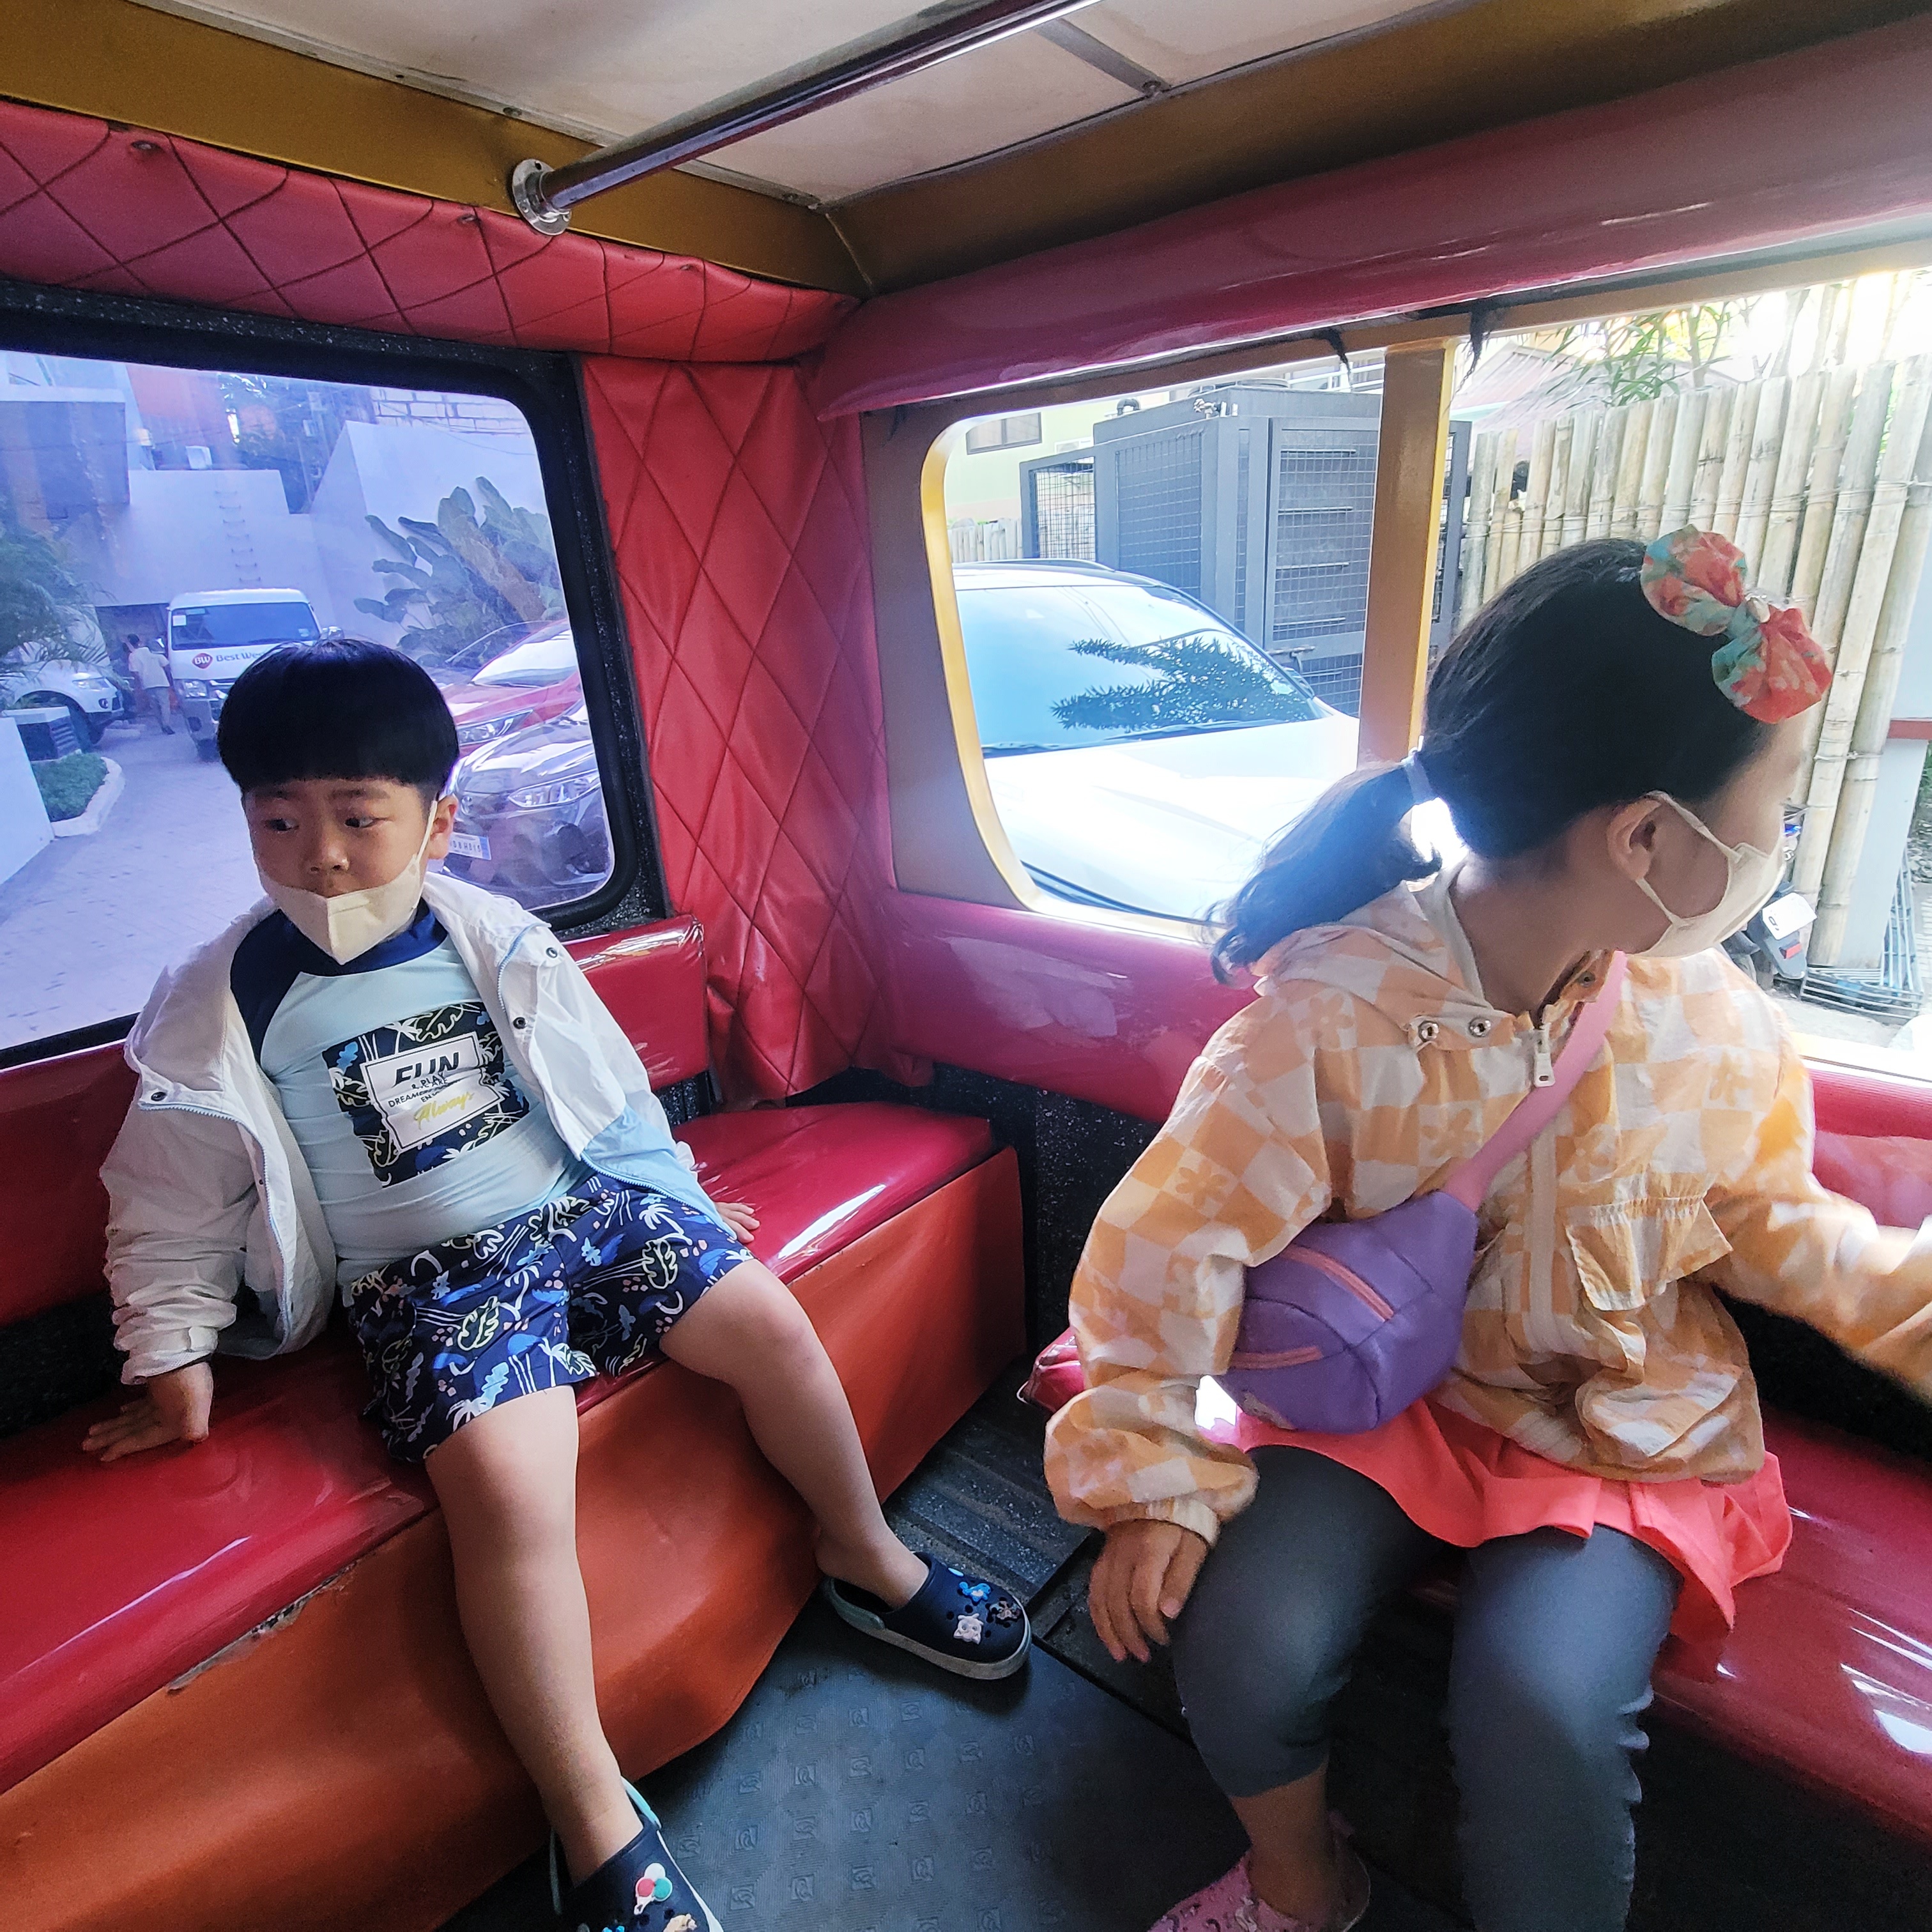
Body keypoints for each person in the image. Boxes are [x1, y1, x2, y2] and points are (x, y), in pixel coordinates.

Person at [1045, 530, 1932, 1932]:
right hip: (1405, 1388)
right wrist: (1148, 1468)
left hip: (1616, 1413)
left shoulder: (1710, 1016)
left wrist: (1901, 1301)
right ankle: (1300, 1884)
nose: (1776, 846)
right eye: (1771, 811)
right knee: (1245, 1640)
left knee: (1544, 1711)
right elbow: (1168, 1242)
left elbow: (1763, 1220)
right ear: (1646, 839)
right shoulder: (1333, 1020)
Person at [83, 638, 1029, 1932]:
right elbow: (169, 1190)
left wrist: (676, 1196)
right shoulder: (221, 997)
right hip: (426, 1279)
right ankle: (592, 1815)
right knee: (509, 1487)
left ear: (436, 820)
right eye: (280, 821)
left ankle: (861, 1551)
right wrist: (171, 1349)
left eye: (359, 817)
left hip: (582, 1209)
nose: (323, 859)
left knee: (769, 1323)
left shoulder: (494, 935)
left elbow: (604, 1088)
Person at [125, 633, 174, 733]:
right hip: (161, 681)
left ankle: (162, 725)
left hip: (147, 684)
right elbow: (166, 665)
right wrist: (171, 679)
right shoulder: (153, 650)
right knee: (164, 705)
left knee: (155, 706)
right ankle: (166, 724)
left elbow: (135, 673)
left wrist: (139, 686)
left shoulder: (133, 656)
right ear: (140, 642)